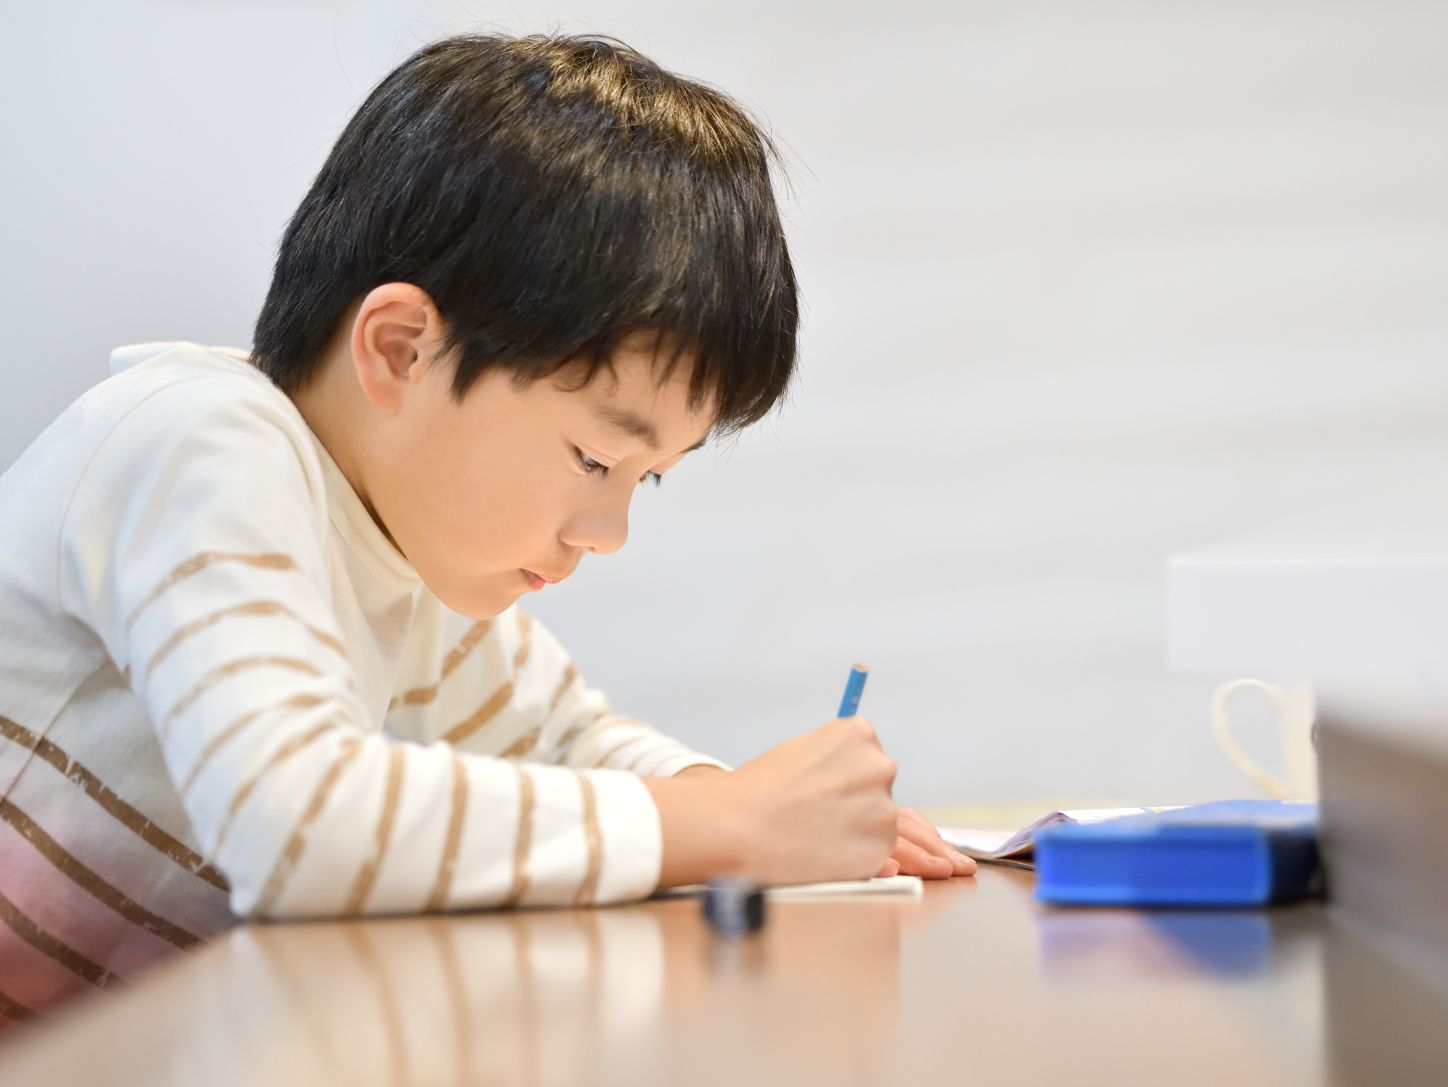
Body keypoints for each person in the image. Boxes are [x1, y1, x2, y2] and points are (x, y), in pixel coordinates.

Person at [0, 34, 975, 1016]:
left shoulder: (399, 550)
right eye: (594, 459)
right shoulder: (204, 442)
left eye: (649, 479)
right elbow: (300, 828)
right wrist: (730, 820)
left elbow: (563, 739)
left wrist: (771, 814)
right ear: (401, 348)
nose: (608, 530)